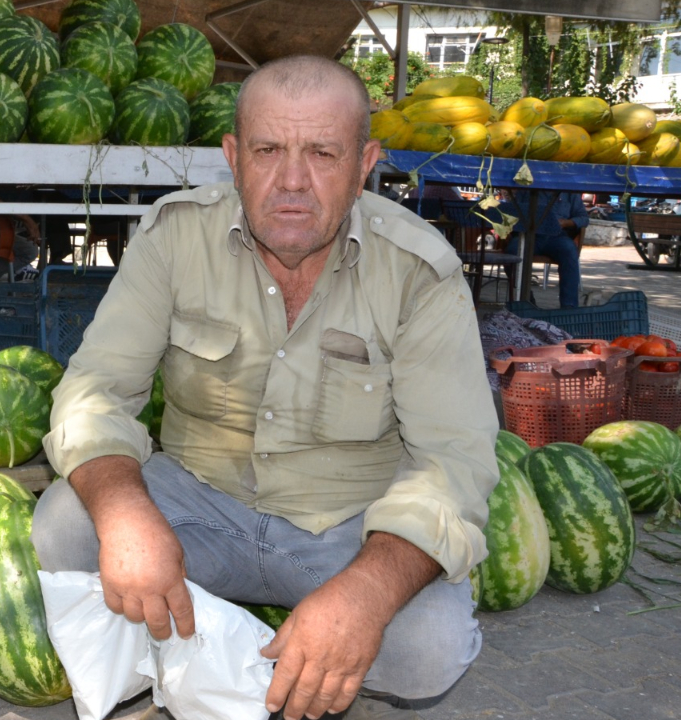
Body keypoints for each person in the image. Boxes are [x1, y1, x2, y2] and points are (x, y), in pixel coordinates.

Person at [31, 55, 498, 720]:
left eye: (323, 154)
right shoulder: (174, 236)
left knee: (430, 648)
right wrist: (127, 515)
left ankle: (273, 646)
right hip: (199, 508)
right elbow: (95, 389)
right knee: (70, 524)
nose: (292, 181)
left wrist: (362, 595)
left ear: (366, 163)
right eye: (268, 150)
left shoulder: (419, 272)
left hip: (344, 531)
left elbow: (456, 461)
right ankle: (164, 668)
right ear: (233, 155)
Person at [502, 191, 587, 308]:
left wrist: (566, 223)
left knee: (569, 251)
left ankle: (569, 307)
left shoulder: (569, 191)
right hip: (529, 235)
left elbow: (583, 218)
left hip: (557, 236)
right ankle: (526, 301)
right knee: (512, 252)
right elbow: (512, 212)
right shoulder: (529, 188)